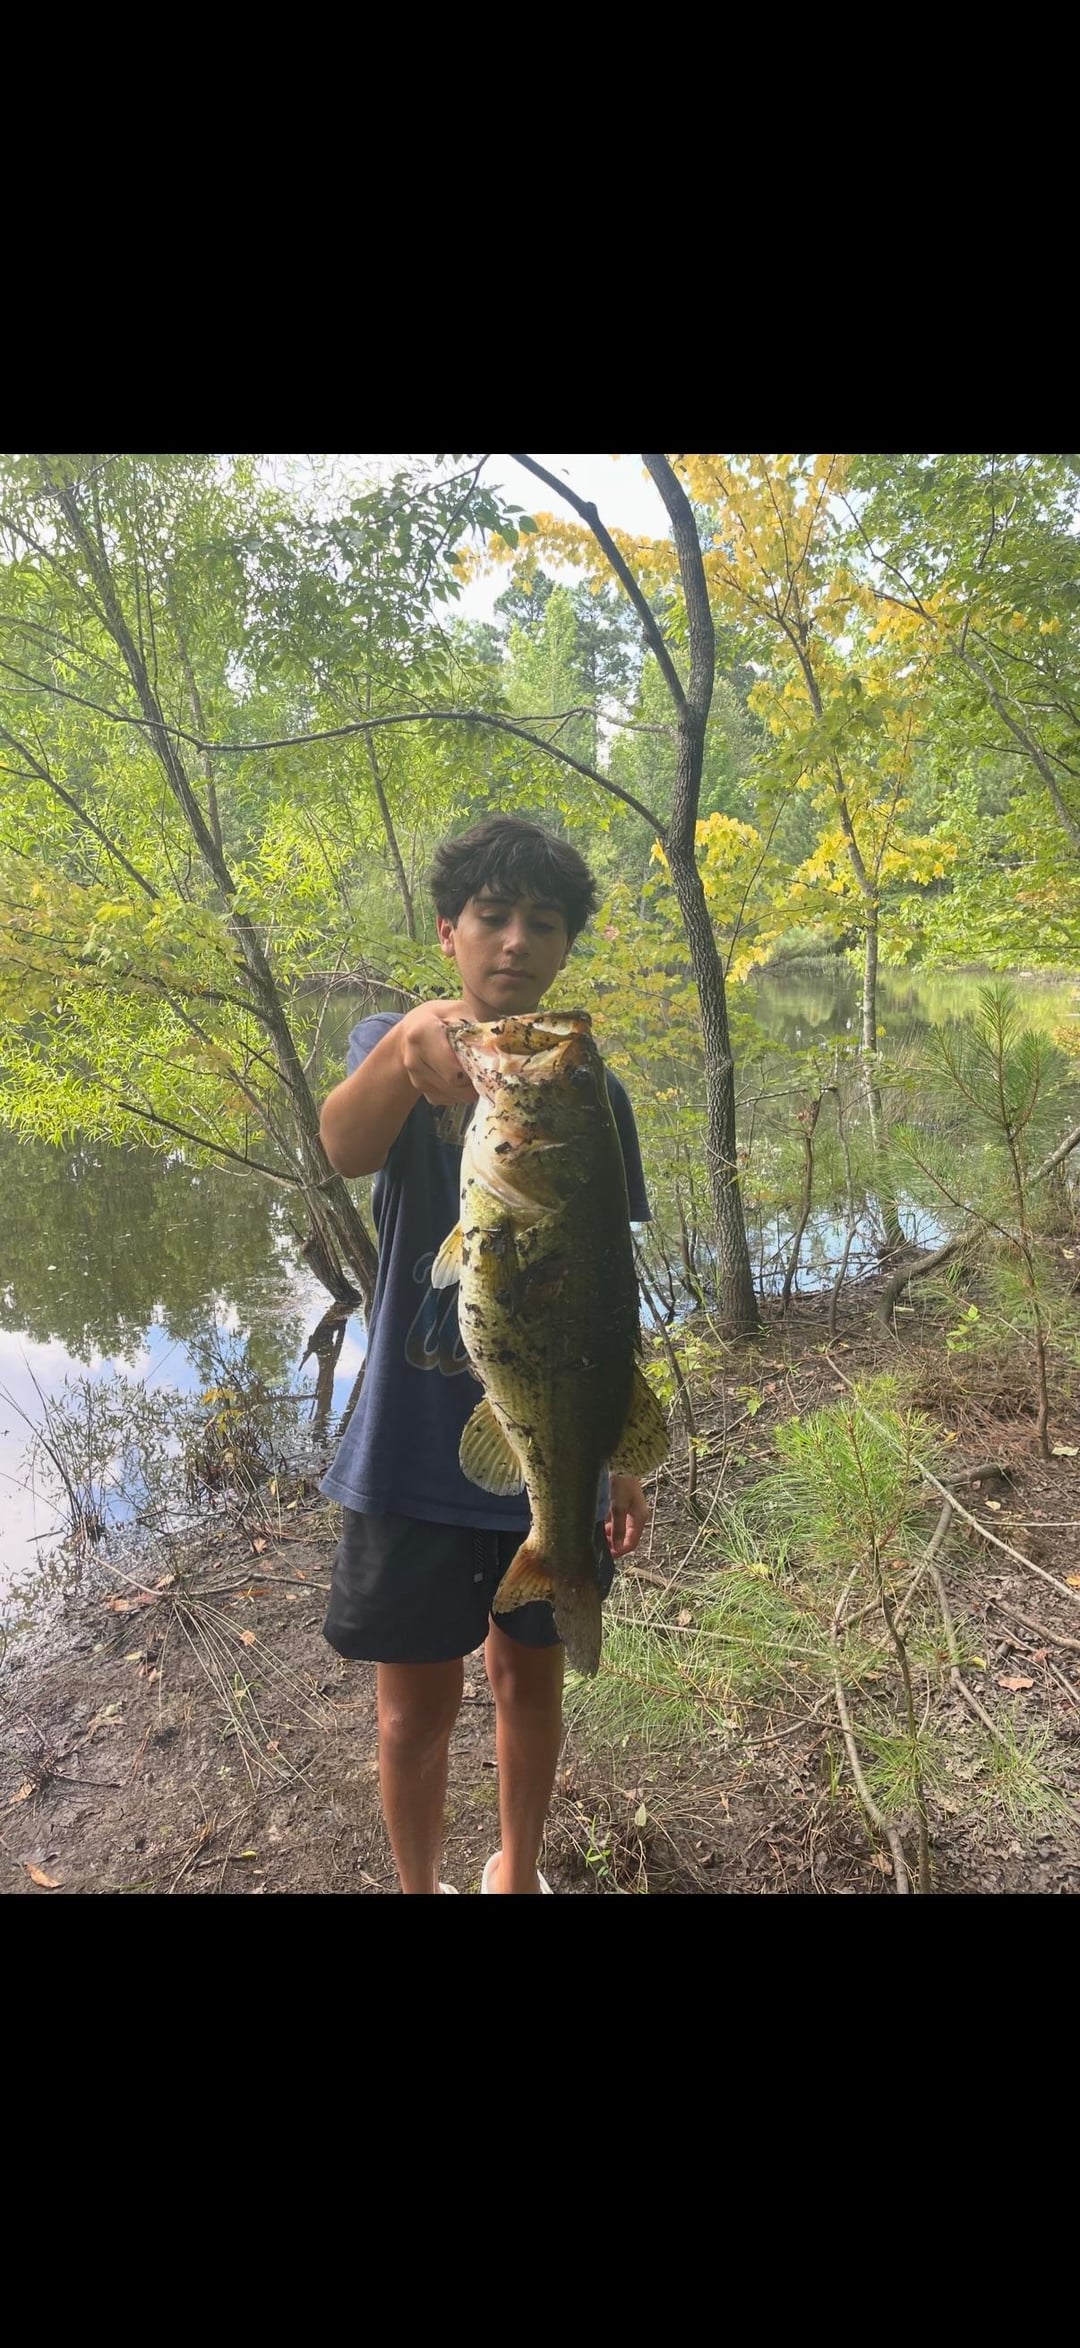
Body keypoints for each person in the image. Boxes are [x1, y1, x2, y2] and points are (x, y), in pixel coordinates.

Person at [318, 815, 651, 1894]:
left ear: (566, 947)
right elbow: (346, 1144)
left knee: (527, 1684)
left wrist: (618, 1453)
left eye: (542, 923)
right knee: (411, 1713)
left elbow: (610, 1284)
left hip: (555, 1435)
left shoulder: (592, 1091)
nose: (515, 940)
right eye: (493, 917)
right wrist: (411, 1047)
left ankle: (517, 1870)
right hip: (408, 1452)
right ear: (448, 931)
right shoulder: (400, 1043)